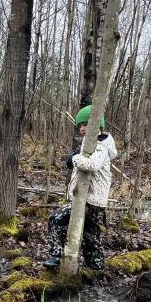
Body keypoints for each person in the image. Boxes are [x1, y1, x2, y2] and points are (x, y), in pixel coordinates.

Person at [43, 105, 117, 270]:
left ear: (96, 124)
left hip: (92, 200)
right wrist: (74, 158)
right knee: (90, 235)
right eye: (80, 125)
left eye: (85, 124)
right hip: (89, 199)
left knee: (57, 219)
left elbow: (92, 165)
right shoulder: (92, 142)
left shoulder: (102, 145)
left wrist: (74, 158)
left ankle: (57, 254)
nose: (81, 128)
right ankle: (95, 267)